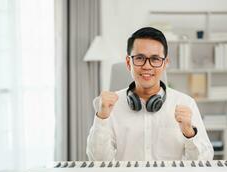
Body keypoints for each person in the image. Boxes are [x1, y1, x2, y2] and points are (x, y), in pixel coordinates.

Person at [86, 27, 214, 161]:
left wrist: (189, 132)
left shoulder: (185, 103)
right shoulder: (111, 106)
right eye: (140, 58)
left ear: (165, 64)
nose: (147, 66)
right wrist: (102, 118)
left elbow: (204, 162)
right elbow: (97, 162)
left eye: (155, 59)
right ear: (129, 63)